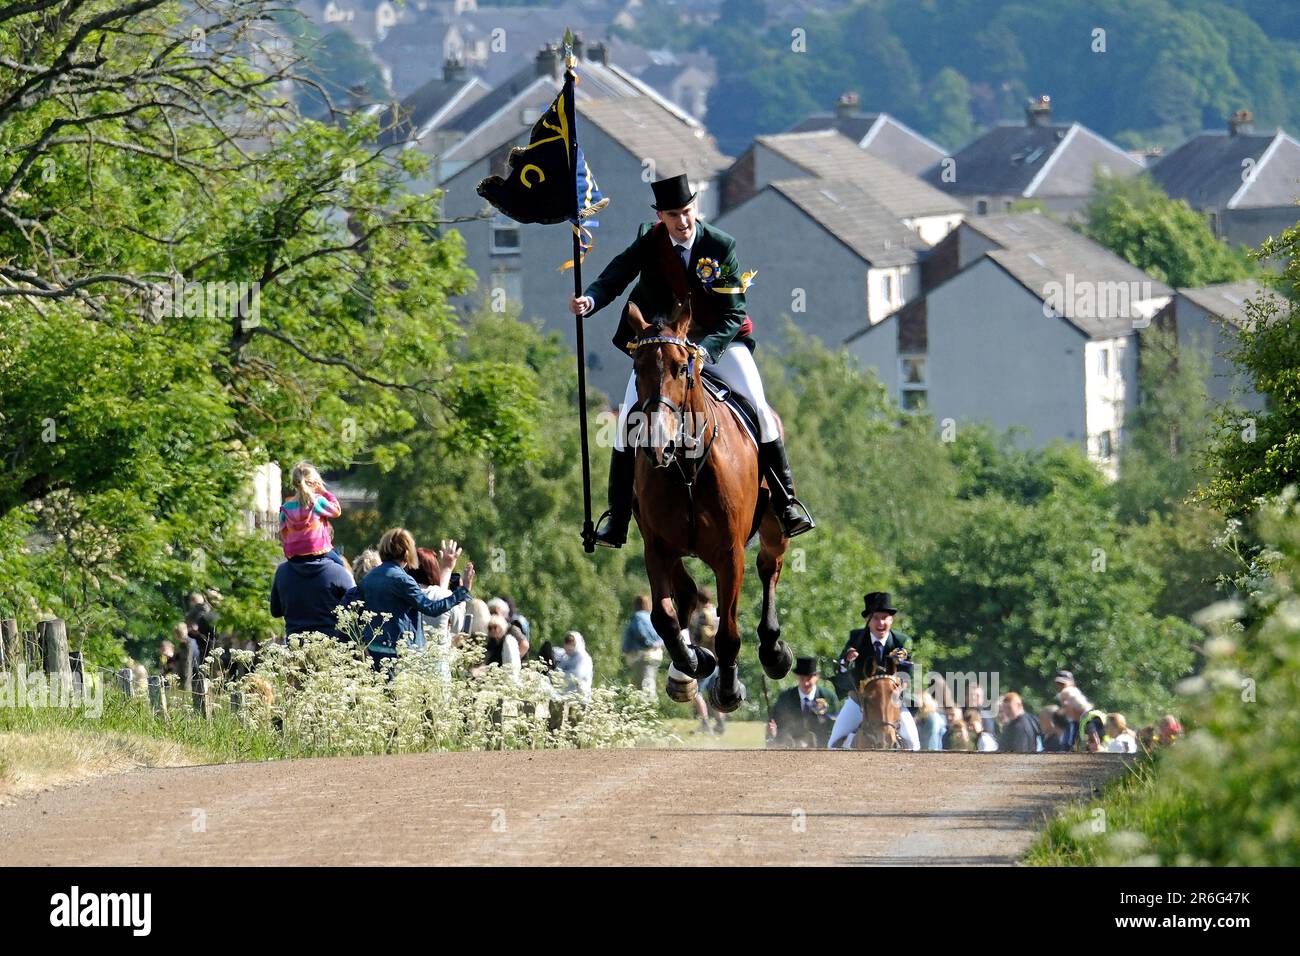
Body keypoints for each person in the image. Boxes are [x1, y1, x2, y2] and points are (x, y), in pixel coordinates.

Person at [569, 173, 814, 547]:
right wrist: (590, 300)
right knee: (625, 424)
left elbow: (734, 315)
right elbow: (616, 275)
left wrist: (704, 350)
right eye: (673, 215)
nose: (682, 222)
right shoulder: (649, 242)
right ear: (661, 217)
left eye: (686, 212)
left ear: (694, 209)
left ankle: (786, 503)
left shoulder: (720, 244)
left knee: (761, 411)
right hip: (662, 349)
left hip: (718, 342)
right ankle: (618, 518)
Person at [349, 528, 473, 670]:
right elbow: (431, 608)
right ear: (407, 552)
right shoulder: (403, 580)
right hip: (398, 654)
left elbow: (352, 610)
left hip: (373, 651)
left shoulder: (370, 577)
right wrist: (462, 592)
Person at [828, 592, 920, 750]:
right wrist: (847, 660)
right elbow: (840, 669)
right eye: (876, 618)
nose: (881, 622)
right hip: (861, 700)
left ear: (892, 620)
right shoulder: (857, 638)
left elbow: (908, 673)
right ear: (868, 620)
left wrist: (900, 673)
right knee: (833, 743)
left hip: (892, 701)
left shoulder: (902, 641)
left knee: (913, 743)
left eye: (885, 618)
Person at [270, 546, 354, 640]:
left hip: (296, 646)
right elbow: (355, 608)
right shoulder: (338, 572)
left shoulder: (282, 571)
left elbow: (275, 611)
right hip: (332, 646)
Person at [411, 542, 466, 677]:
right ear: (433, 569)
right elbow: (458, 627)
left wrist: (447, 569)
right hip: (438, 666)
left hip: (410, 663)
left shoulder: (404, 594)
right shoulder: (442, 595)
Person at [279, 462, 346, 570]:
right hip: (318, 550)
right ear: (315, 483)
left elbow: (283, 532)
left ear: (294, 483)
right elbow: (337, 511)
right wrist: (325, 492)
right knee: (341, 566)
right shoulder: (318, 501)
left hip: (293, 553)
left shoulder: (285, 508)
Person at [767, 657, 839, 748]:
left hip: (822, 749)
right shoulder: (785, 698)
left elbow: (834, 727)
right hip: (792, 748)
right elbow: (778, 725)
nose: (805, 683)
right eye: (802, 678)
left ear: (817, 676)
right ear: (796, 676)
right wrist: (774, 733)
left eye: (809, 678)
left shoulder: (829, 698)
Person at [621, 594, 664, 696]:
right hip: (656, 655)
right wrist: (657, 644)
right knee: (649, 682)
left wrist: (649, 644)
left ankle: (648, 708)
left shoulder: (638, 616)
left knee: (645, 686)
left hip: (643, 655)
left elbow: (640, 632)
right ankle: (649, 708)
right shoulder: (654, 617)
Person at [1058, 686, 1108, 752]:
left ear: (1072, 706)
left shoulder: (1092, 719)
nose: (1063, 711)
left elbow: (1096, 746)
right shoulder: (1078, 722)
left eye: (1064, 707)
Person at [553, 630, 593, 700]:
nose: (569, 646)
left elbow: (577, 675)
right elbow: (556, 673)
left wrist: (560, 678)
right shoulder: (566, 658)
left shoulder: (584, 658)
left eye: (572, 643)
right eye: (567, 643)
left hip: (580, 699)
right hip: (565, 698)